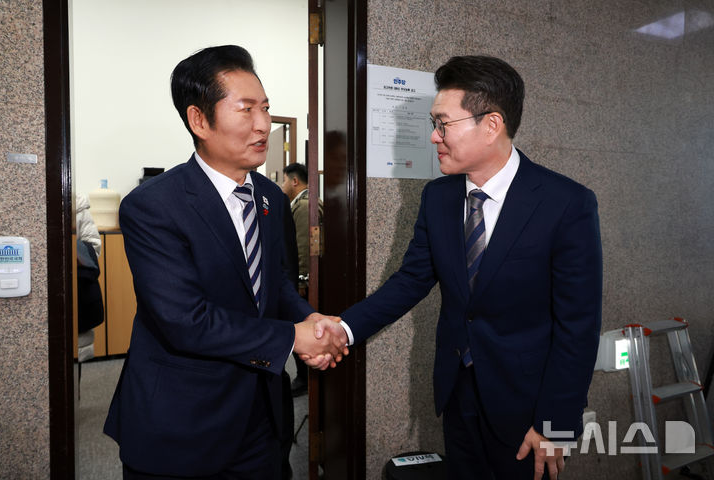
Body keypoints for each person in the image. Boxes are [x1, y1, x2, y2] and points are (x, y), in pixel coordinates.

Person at [315, 55, 603, 479]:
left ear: (491, 124)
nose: (434, 136)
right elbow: (411, 280)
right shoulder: (438, 198)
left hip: (529, 409)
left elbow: (578, 326)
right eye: (434, 123)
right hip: (458, 394)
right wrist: (344, 329)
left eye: (443, 124)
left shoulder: (566, 204)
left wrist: (555, 424)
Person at [103, 45, 347, 480]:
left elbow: (276, 284)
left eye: (265, 108)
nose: (263, 124)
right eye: (246, 109)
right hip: (183, 421)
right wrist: (292, 337)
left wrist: (309, 319)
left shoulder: (270, 198)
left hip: (261, 416)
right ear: (199, 120)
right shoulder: (153, 206)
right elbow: (184, 319)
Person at [281, 162, 324, 396]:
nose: (283, 185)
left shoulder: (304, 206)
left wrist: (301, 281)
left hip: (304, 283)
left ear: (295, 181)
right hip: (304, 281)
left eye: (285, 180)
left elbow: (304, 248)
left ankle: (304, 379)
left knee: (302, 326)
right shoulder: (306, 202)